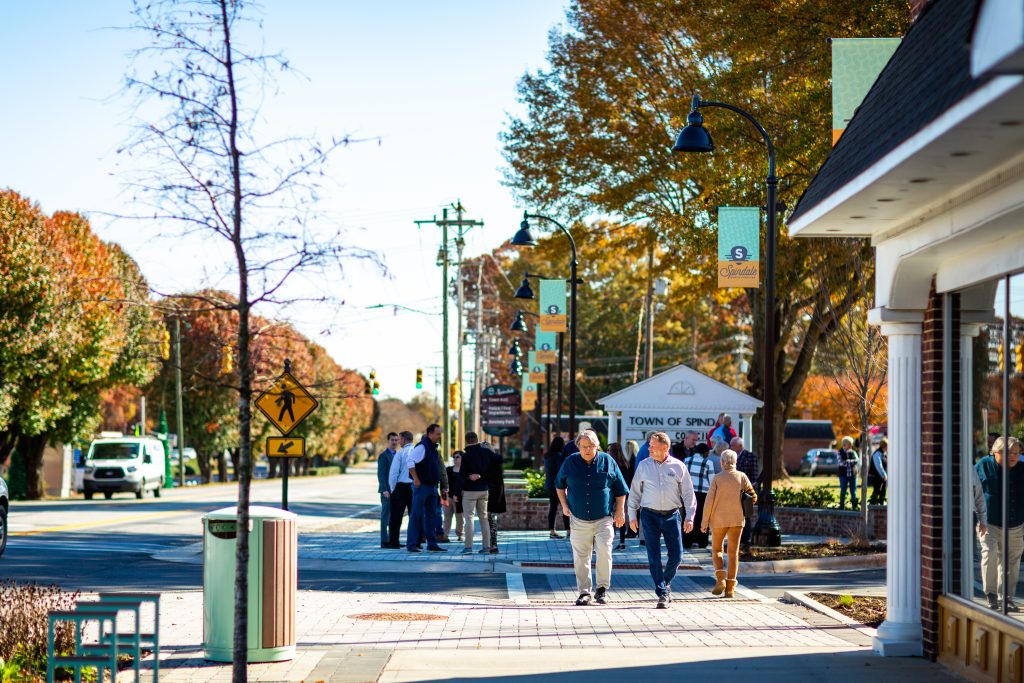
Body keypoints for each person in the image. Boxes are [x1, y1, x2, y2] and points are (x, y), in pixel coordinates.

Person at [556, 429, 629, 606]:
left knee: (604, 550)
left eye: (591, 446)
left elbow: (620, 489)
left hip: (603, 518)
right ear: (578, 446)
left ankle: (602, 589)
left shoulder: (608, 461)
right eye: (583, 446)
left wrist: (620, 511)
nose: (587, 450)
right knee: (581, 556)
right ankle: (584, 592)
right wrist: (565, 506)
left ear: (597, 446)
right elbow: (559, 485)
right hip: (579, 518)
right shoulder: (570, 462)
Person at [628, 432, 696, 609]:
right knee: (654, 556)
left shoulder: (679, 466)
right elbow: (634, 492)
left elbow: (688, 494)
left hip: (672, 514)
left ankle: (664, 582)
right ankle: (663, 592)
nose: (649, 448)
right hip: (649, 515)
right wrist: (632, 515)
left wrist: (690, 516)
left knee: (677, 555)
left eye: (652, 445)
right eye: (649, 445)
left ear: (664, 447)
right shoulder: (643, 466)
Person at [700, 449, 757, 598]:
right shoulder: (742, 477)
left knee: (717, 550)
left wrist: (704, 521)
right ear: (735, 462)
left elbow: (709, 502)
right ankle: (730, 588)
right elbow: (753, 496)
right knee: (733, 553)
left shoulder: (717, 479)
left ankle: (720, 580)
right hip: (737, 520)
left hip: (718, 520)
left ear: (722, 462)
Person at [975, 436, 1024, 611]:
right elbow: (972, 491)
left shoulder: (1022, 469)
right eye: (1009, 453)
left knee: (1012, 562)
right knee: (991, 555)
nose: (1013, 457)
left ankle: (1006, 598)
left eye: (1017, 453)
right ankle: (991, 596)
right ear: (995, 452)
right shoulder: (983, 466)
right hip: (988, 523)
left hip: (1016, 525)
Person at [406, 424, 447, 553]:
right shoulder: (422, 446)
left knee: (431, 516)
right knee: (416, 515)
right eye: (438, 433)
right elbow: (410, 461)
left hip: (432, 488)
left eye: (440, 433)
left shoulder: (433, 448)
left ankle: (432, 544)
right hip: (422, 487)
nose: (440, 436)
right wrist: (416, 479)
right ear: (430, 434)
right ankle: (412, 544)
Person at [460, 432, 492, 554]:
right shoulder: (486, 453)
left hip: (470, 491)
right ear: (477, 440)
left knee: (469, 519)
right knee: (484, 518)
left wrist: (470, 476)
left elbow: (462, 475)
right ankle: (486, 547)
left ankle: (468, 547)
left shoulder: (467, 456)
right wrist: (481, 475)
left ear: (467, 441)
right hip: (484, 490)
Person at [682, 443, 716, 548]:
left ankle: (687, 541)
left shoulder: (686, 460)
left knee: (688, 516)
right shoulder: (708, 463)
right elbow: (712, 481)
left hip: (688, 493)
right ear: (705, 452)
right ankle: (702, 541)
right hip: (703, 494)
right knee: (702, 516)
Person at [386, 431, 415, 549]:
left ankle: (394, 542)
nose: (398, 442)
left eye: (400, 439)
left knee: (396, 517)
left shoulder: (400, 453)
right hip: (415, 486)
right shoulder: (418, 451)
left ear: (403, 439)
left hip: (401, 487)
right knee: (414, 516)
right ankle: (414, 542)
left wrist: (393, 488)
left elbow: (393, 473)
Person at [732, 436, 760, 549]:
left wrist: (751, 489)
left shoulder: (750, 456)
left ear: (740, 446)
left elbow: (754, 475)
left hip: (746, 491)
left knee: (746, 515)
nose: (731, 447)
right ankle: (737, 537)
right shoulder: (732, 457)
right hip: (734, 491)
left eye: (733, 445)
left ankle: (745, 538)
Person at [608, 442, 632, 550]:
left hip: (612, 493)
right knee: (621, 517)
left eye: (608, 450)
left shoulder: (610, 463)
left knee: (610, 517)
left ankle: (611, 540)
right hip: (624, 493)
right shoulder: (625, 463)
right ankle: (622, 541)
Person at [377, 432, 399, 548]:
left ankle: (393, 540)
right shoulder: (383, 456)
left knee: (394, 518)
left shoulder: (398, 455)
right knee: (385, 517)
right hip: (386, 492)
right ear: (388, 441)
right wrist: (384, 489)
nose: (394, 442)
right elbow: (381, 475)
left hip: (396, 491)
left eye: (396, 440)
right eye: (392, 440)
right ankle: (384, 541)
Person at [485, 438, 507, 554]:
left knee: (487, 519)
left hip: (487, 492)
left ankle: (489, 545)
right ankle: (493, 544)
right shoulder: (497, 459)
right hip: (496, 492)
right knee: (491, 519)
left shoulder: (485, 460)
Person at [544, 437, 568, 538]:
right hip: (558, 485)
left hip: (549, 484)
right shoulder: (558, 456)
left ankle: (552, 531)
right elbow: (561, 471)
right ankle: (568, 530)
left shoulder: (547, 456)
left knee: (553, 508)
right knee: (565, 507)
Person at [443, 450, 464, 542]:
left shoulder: (465, 471)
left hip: (460, 498)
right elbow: (443, 482)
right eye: (454, 457)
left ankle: (460, 535)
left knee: (459, 517)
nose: (455, 459)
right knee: (447, 517)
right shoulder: (448, 470)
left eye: (457, 457)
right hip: (448, 497)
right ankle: (445, 535)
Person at [837, 436, 859, 510]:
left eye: (851, 444)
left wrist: (847, 461)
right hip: (843, 475)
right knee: (843, 491)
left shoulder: (853, 452)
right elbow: (841, 463)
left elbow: (857, 461)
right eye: (849, 444)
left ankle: (854, 507)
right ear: (844, 444)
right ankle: (842, 507)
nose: (850, 446)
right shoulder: (840, 452)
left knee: (853, 492)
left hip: (853, 475)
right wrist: (851, 462)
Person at [869, 438, 888, 505]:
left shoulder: (884, 454)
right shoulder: (877, 454)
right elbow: (878, 466)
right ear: (884, 446)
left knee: (883, 492)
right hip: (876, 477)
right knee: (877, 491)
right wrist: (884, 475)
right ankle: (873, 505)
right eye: (887, 446)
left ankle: (881, 505)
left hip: (882, 477)